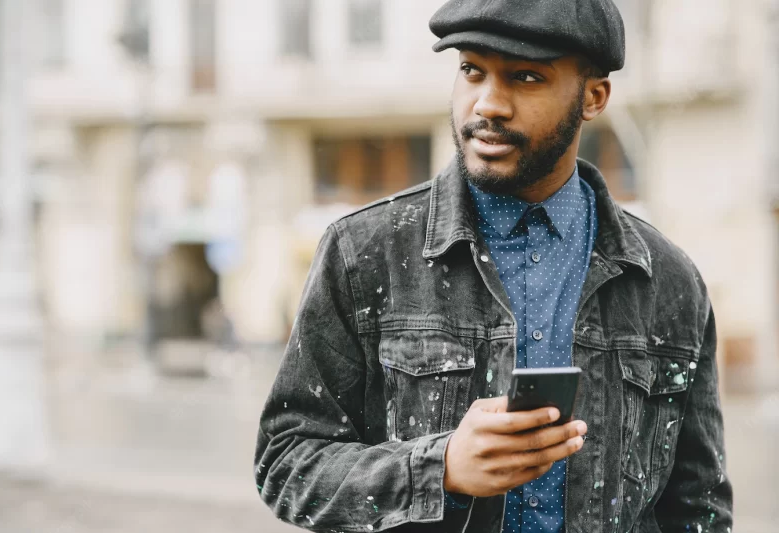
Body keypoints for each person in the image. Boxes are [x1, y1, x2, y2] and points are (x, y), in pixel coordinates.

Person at [254, 0, 734, 531]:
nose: (488, 104)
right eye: (471, 70)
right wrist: (439, 468)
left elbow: (698, 508)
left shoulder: (668, 281)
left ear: (593, 97)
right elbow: (286, 462)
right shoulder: (363, 252)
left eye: (525, 77)